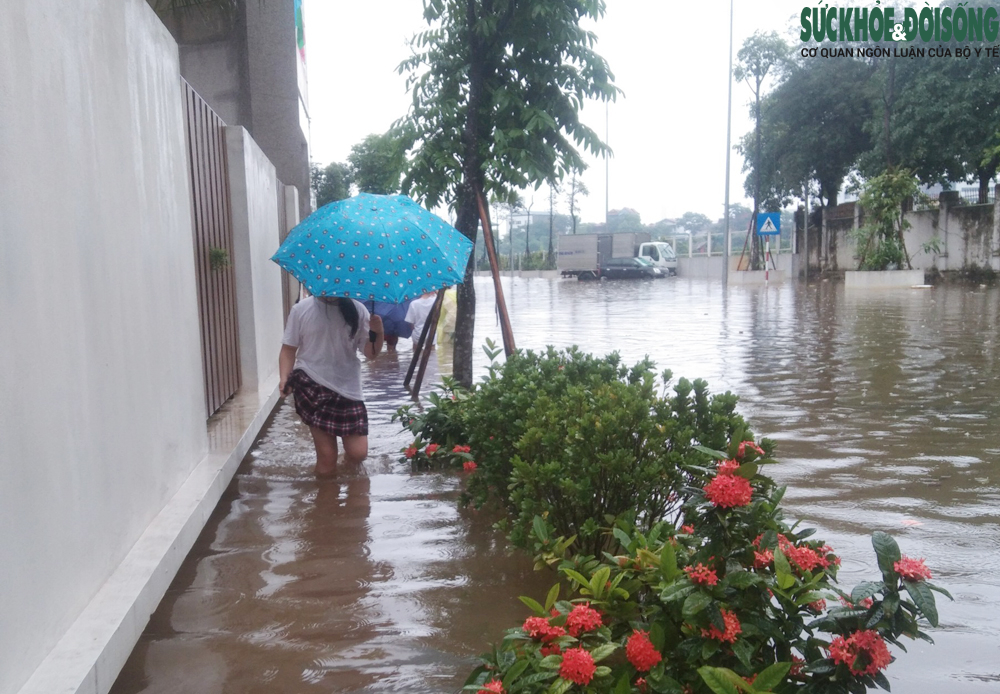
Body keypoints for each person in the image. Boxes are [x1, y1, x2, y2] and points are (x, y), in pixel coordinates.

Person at [278, 296, 384, 477]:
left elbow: (370, 353)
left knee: (358, 454)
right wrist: (284, 378)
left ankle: (347, 481)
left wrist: (378, 333)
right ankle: (325, 500)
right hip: (311, 383)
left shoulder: (358, 310)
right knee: (327, 457)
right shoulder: (301, 309)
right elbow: (288, 349)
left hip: (348, 386)